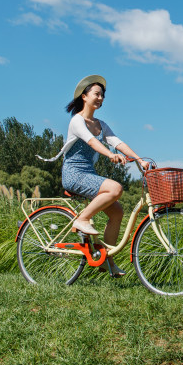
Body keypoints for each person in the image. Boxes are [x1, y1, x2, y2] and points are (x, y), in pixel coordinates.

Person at [39, 75, 148, 277]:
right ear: (84, 96)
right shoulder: (77, 121)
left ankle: (106, 260)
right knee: (115, 189)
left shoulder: (100, 124)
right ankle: (82, 219)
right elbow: (91, 142)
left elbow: (117, 142)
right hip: (74, 174)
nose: (100, 98)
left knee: (116, 213)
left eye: (103, 95)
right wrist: (110, 155)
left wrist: (139, 159)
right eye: (97, 94)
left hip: (88, 174)